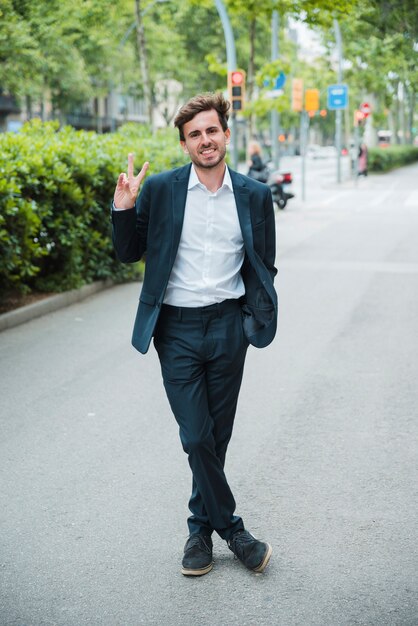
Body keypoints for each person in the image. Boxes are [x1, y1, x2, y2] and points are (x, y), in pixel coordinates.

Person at [111, 93, 277, 577]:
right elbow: (129, 253)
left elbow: (263, 265)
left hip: (229, 326)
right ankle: (235, 532)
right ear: (184, 145)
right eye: (194, 135)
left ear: (226, 133)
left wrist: (249, 320)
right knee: (196, 434)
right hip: (177, 331)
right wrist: (124, 208)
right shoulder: (162, 190)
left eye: (211, 130)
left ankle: (198, 534)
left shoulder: (255, 195)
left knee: (216, 438)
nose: (205, 140)